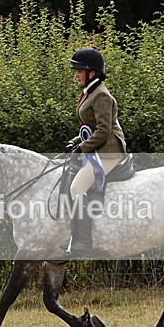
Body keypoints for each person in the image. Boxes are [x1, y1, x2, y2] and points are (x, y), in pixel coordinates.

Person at [61, 47, 127, 256]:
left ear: (92, 72)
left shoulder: (101, 95)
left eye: (79, 70)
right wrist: (75, 141)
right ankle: (74, 236)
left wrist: (82, 148)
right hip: (97, 148)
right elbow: (89, 127)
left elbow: (104, 130)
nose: (76, 74)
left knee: (77, 188)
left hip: (109, 151)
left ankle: (83, 242)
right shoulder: (90, 92)